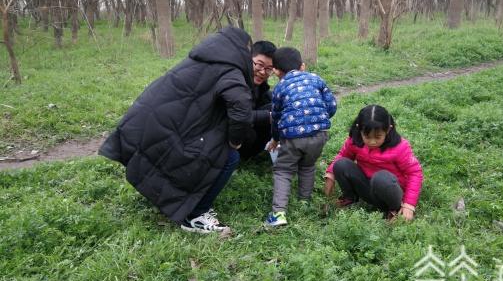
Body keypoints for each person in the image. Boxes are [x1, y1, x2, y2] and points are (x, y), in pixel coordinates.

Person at [98, 27, 255, 234]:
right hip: (173, 133)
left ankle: (170, 198)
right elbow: (242, 110)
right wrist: (235, 141)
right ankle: (195, 215)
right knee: (230, 156)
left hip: (152, 129)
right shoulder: (229, 71)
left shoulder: (196, 62)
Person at [265, 47, 337, 226]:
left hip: (292, 138)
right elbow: (332, 105)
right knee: (307, 166)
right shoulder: (316, 79)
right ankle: (304, 202)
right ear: (302, 66)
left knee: (283, 170)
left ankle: (279, 213)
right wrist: (319, 120)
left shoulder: (279, 88)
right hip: (319, 135)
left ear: (276, 72)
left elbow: (275, 117)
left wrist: (276, 139)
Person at [323, 105, 423, 222]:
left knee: (381, 177)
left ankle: (394, 210)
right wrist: (330, 175)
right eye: (367, 136)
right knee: (341, 164)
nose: (372, 142)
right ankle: (349, 198)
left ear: (388, 130)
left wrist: (409, 204)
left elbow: (414, 173)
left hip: (389, 192)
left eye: (378, 137)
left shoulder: (400, 147)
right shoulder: (355, 140)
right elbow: (343, 155)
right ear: (359, 129)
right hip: (367, 187)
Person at [238, 41, 278, 161]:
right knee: (249, 133)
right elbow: (235, 115)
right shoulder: (234, 82)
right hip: (226, 134)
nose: (262, 72)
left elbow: (269, 98)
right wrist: (269, 116)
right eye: (259, 65)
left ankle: (250, 155)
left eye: (269, 69)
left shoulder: (259, 86)